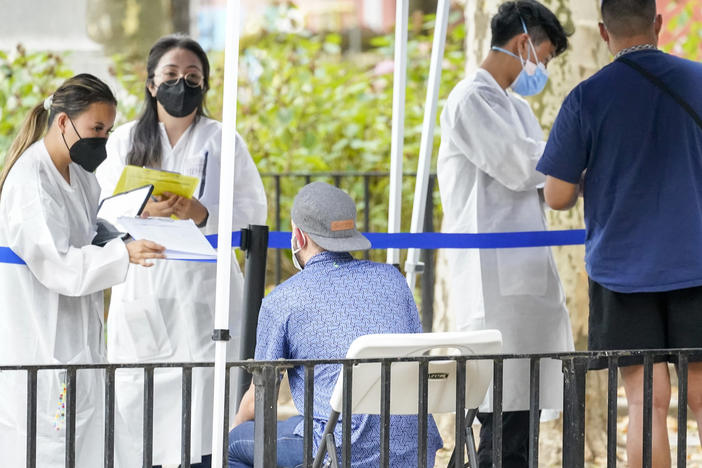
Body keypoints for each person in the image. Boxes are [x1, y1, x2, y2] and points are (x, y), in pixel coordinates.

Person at [536, 0, 702, 466]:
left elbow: (557, 196)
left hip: (621, 271)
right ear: (659, 24)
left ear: (605, 34)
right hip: (697, 263)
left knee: (645, 401)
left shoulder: (587, 97)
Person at [96, 35, 267, 468]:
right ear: (151, 84)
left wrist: (202, 211)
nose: (182, 85)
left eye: (193, 77)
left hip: (204, 294)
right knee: (141, 407)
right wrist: (141, 206)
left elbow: (253, 212)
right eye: (171, 76)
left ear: (205, 85)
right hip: (145, 287)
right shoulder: (122, 141)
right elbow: (97, 210)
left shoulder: (224, 141)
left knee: (206, 406)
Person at [0, 74, 165, 467]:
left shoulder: (82, 177)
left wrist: (130, 226)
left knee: (88, 439)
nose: (102, 140)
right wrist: (123, 254)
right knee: (51, 446)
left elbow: (91, 232)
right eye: (95, 128)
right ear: (62, 122)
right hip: (44, 345)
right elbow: (60, 265)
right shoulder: (32, 182)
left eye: (107, 130)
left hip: (77, 343)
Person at [436, 1, 573, 466]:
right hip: (493, 287)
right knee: (503, 422)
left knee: (512, 420)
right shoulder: (470, 99)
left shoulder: (515, 107)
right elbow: (520, 166)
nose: (544, 69)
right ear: (523, 44)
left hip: (524, 285)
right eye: (546, 57)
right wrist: (578, 156)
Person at [228, 182, 443, 467]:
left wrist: (233, 429)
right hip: (414, 448)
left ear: (299, 237)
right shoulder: (393, 281)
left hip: (339, 450)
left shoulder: (284, 299)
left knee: (233, 445)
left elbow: (259, 399)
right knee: (298, 422)